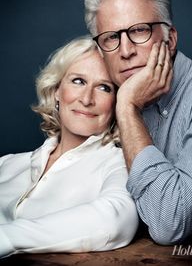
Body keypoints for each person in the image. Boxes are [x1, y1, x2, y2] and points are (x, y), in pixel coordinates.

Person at [84, 0, 192, 244]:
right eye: (111, 38)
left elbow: (171, 222)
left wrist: (128, 108)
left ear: (170, 39)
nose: (126, 50)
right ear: (100, 52)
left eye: (139, 30)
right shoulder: (102, 98)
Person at [0, 36, 138, 258]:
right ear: (56, 90)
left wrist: (6, 238)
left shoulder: (120, 164)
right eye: (78, 81)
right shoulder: (8, 163)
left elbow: (116, 219)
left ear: (117, 102)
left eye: (104, 87)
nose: (86, 99)